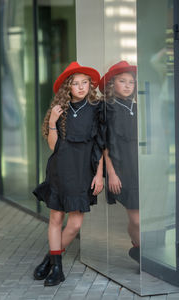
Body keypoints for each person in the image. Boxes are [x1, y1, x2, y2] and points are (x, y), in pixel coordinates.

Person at [33, 62, 104, 286]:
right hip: (60, 170)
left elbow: (100, 145)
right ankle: (57, 269)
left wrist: (99, 174)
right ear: (68, 87)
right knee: (56, 218)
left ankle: (49, 259)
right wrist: (53, 121)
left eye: (85, 82)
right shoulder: (59, 109)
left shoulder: (97, 108)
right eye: (76, 83)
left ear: (90, 85)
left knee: (74, 224)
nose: (81, 87)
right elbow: (54, 147)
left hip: (84, 171)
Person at [99, 61, 139, 262]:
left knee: (142, 217)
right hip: (121, 169)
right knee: (136, 218)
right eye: (122, 81)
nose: (127, 85)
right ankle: (139, 248)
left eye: (131, 82)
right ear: (112, 84)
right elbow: (104, 145)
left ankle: (139, 250)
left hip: (140, 166)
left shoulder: (137, 106)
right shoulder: (107, 108)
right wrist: (111, 173)